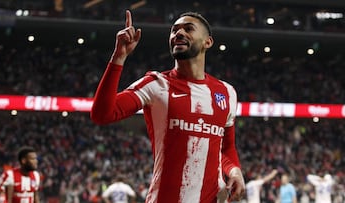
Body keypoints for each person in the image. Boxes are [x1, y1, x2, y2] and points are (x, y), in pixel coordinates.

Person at [91, 9, 245, 203]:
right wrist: (119, 58)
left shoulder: (226, 92)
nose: (178, 33)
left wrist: (235, 171)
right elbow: (102, 114)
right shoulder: (155, 84)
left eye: (188, 29)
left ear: (208, 42)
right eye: (174, 30)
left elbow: (226, 148)